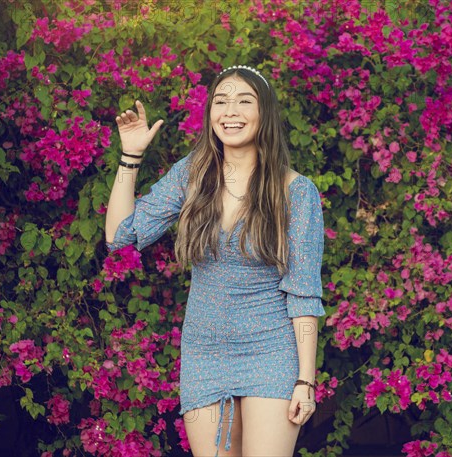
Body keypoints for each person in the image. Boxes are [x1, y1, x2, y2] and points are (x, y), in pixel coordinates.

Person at [105, 65, 325, 457]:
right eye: (221, 101)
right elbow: (119, 234)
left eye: (244, 101)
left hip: (270, 350)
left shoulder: (296, 192)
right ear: (210, 114)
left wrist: (305, 381)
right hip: (204, 353)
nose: (230, 111)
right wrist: (131, 156)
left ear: (265, 113)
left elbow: (304, 294)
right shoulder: (193, 175)